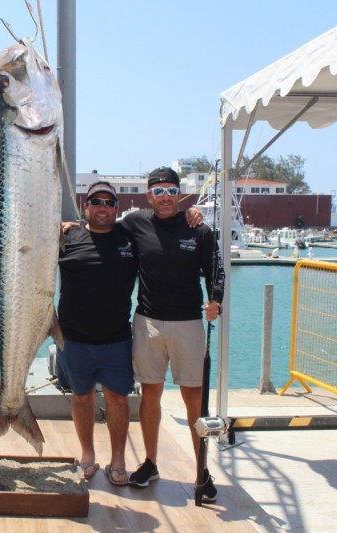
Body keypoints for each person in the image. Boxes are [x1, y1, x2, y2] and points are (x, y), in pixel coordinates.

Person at [118, 167, 224, 502]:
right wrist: (69, 225)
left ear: (180, 195)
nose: (165, 197)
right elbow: (100, 228)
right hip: (148, 322)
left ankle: (201, 471)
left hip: (189, 324)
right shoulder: (135, 223)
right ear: (149, 196)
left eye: (171, 191)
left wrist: (215, 301)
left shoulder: (199, 229)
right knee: (151, 395)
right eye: (158, 191)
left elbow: (215, 270)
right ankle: (150, 462)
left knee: (194, 399)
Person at [57, 181, 138, 486]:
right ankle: (87, 454)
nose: (103, 207)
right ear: (85, 206)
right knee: (81, 397)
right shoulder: (66, 236)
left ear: (117, 209)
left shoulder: (130, 238)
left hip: (117, 338)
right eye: (96, 201)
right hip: (73, 338)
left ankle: (118, 459)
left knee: (118, 398)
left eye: (109, 202)